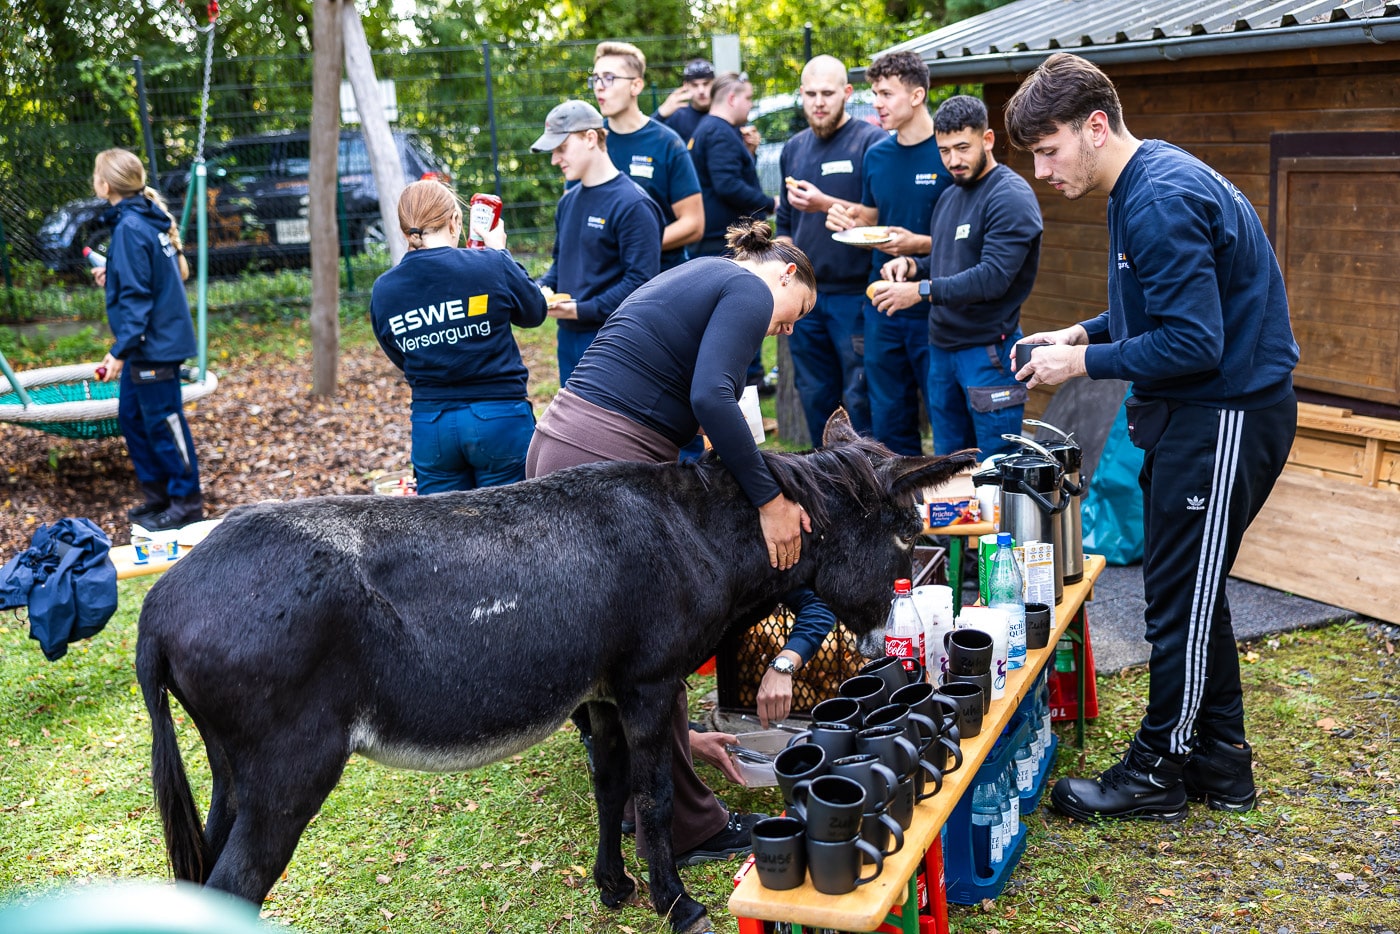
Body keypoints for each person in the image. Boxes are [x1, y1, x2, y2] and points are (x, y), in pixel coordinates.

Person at [1003, 52, 1298, 821]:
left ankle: (1158, 769)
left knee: (1180, 603)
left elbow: (1194, 341)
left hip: (1225, 416)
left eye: (1049, 150)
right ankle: (1222, 763)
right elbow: (1159, 307)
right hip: (1195, 415)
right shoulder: (1140, 184)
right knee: (1186, 591)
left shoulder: (1159, 197)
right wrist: (1082, 330)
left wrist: (1080, 363)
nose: (1041, 171)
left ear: (1095, 127)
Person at [527, 219, 817, 866]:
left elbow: (689, 395)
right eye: (799, 313)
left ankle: (643, 794)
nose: (788, 329)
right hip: (602, 459)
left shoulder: (699, 274)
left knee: (612, 648)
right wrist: (771, 502)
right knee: (655, 642)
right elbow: (711, 396)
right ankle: (690, 828)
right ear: (787, 274)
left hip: (558, 442)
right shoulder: (750, 289)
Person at [875, 95, 1042, 459]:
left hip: (989, 354)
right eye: (944, 150)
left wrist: (919, 290)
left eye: (963, 148)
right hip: (942, 351)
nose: (953, 160)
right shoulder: (950, 195)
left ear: (987, 139)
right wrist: (913, 266)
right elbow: (949, 260)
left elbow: (992, 277)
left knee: (995, 468)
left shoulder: (1010, 196)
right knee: (947, 466)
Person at [368, 180, 547, 493]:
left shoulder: (384, 289)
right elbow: (534, 312)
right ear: (454, 221)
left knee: (442, 524)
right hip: (499, 418)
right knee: (512, 521)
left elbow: (399, 353)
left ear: (404, 230)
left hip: (432, 427)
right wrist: (500, 253)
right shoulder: (491, 264)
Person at [826, 51, 952, 455]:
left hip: (936, 302)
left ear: (917, 95)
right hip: (882, 302)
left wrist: (918, 244)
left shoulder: (949, 152)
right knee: (888, 417)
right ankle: (899, 491)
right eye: (875, 93)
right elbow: (873, 217)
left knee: (946, 416)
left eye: (886, 93)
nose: (876, 102)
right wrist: (847, 218)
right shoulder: (877, 154)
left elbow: (971, 238)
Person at [775, 55, 888, 443]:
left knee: (859, 396)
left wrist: (826, 204)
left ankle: (867, 471)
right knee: (814, 394)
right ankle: (822, 472)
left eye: (827, 93)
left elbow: (883, 219)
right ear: (801, 94)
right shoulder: (793, 148)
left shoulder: (871, 143)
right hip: (806, 297)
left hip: (855, 296)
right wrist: (783, 277)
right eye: (810, 94)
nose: (819, 102)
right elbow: (785, 225)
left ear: (847, 93)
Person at [90, 148, 203, 532]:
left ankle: (186, 502)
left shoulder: (132, 226)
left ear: (105, 185)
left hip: (154, 345)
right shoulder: (143, 219)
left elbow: (139, 299)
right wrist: (113, 274)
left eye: (96, 175)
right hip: (147, 344)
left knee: (163, 422)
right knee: (133, 418)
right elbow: (147, 276)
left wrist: (118, 352)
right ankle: (159, 497)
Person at [532, 100, 663, 385]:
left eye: (561, 148)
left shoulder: (634, 204)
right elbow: (561, 265)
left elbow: (641, 283)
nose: (555, 159)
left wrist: (582, 309)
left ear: (590, 138)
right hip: (568, 337)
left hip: (615, 340)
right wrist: (539, 289)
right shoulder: (567, 202)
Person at [590, 41, 704, 272]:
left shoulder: (667, 143)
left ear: (636, 85)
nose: (599, 87)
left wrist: (635, 245)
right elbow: (574, 214)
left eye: (609, 78)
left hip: (660, 278)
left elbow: (693, 224)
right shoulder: (590, 141)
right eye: (595, 78)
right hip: (602, 280)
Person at [688, 71, 776, 259]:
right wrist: (770, 203)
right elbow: (728, 185)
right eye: (748, 98)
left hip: (717, 239)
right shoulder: (719, 133)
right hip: (723, 243)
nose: (751, 104)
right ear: (732, 99)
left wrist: (748, 153)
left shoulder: (711, 128)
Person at [653, 58, 714, 142]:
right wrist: (660, 114)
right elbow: (644, 139)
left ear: (714, 83)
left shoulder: (726, 114)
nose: (701, 90)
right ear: (686, 85)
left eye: (706, 84)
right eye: (695, 85)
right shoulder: (677, 118)